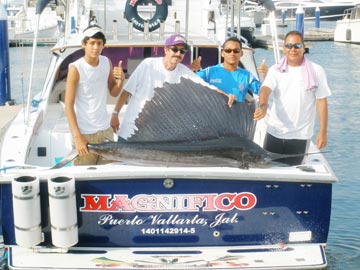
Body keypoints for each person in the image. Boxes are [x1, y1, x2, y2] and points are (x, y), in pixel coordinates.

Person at [111, 34, 235, 141]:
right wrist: (115, 114)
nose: (178, 54)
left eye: (182, 51)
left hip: (154, 135)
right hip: (131, 130)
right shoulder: (148, 64)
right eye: (174, 49)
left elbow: (207, 87)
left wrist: (226, 95)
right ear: (166, 50)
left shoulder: (183, 72)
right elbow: (127, 91)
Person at [253, 30, 331, 165]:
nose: (292, 49)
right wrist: (263, 106)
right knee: (268, 169)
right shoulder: (275, 70)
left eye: (297, 46)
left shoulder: (316, 70)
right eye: (289, 46)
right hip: (274, 133)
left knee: (293, 171)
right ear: (284, 48)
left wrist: (323, 132)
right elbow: (265, 89)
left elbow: (321, 101)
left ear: (304, 47)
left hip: (300, 136)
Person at [65, 25, 125, 165]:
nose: (96, 47)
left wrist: (121, 80)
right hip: (85, 133)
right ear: (83, 44)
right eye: (92, 43)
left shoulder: (106, 62)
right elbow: (68, 105)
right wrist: (78, 137)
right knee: (83, 178)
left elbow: (113, 91)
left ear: (103, 45)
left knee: (108, 176)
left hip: (106, 131)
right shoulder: (75, 68)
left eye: (99, 43)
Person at [191, 36, 266, 103]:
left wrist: (264, 76)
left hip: (237, 117)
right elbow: (189, 83)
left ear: (241, 54)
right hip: (212, 117)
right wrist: (191, 69)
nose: (232, 53)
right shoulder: (208, 72)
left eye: (236, 51)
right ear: (222, 53)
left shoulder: (247, 76)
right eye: (228, 50)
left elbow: (264, 93)